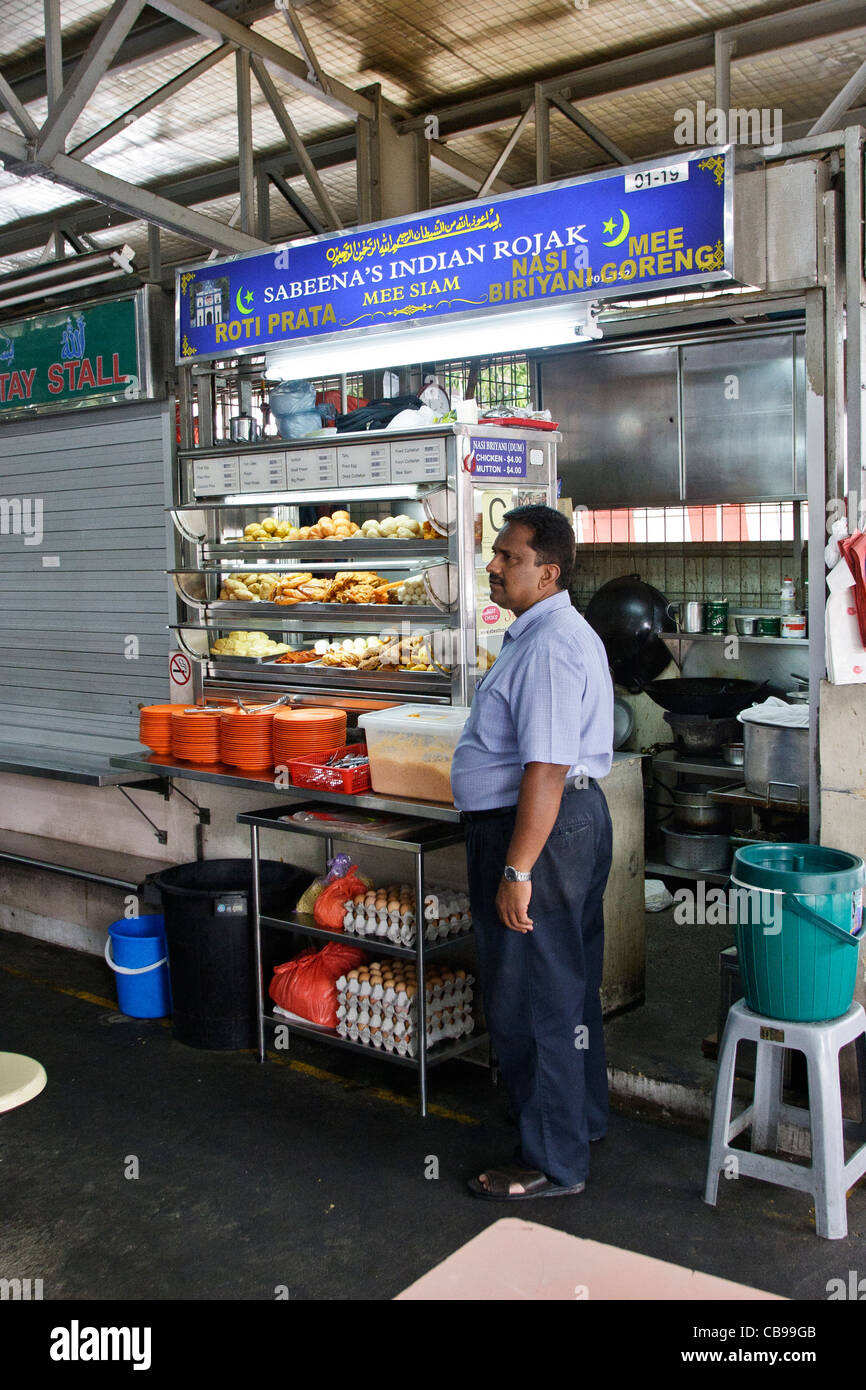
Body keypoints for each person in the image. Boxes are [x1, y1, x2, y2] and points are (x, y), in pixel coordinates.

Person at [450, 504, 614, 1200]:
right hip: (566, 825)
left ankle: (552, 1161)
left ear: (546, 572)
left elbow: (545, 767)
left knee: (535, 994)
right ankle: (580, 1119)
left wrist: (517, 869)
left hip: (537, 832)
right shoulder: (551, 630)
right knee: (568, 982)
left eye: (507, 557)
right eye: (494, 552)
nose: (492, 565)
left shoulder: (548, 645)